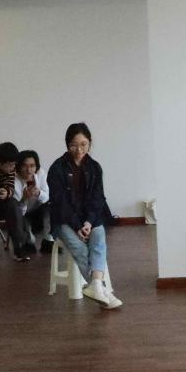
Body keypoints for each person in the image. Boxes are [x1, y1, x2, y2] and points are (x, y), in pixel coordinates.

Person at [47, 123, 121, 309]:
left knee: (99, 236)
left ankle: (96, 286)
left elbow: (98, 198)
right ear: (67, 144)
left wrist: (88, 222)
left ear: (89, 143)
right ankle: (101, 288)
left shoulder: (95, 167)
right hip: (64, 220)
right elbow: (59, 203)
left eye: (83, 144)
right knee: (79, 247)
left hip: (89, 218)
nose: (79, 150)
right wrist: (77, 225)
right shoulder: (57, 168)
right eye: (74, 145)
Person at [9, 149, 50, 261]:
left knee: (52, 204)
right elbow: (17, 210)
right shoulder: (14, 180)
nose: (29, 170)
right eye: (25, 166)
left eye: (32, 166)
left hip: (39, 210)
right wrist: (25, 198)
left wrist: (39, 193)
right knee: (30, 244)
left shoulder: (41, 174)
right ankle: (27, 239)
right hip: (23, 215)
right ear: (19, 166)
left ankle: (48, 240)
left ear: (36, 166)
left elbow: (47, 197)